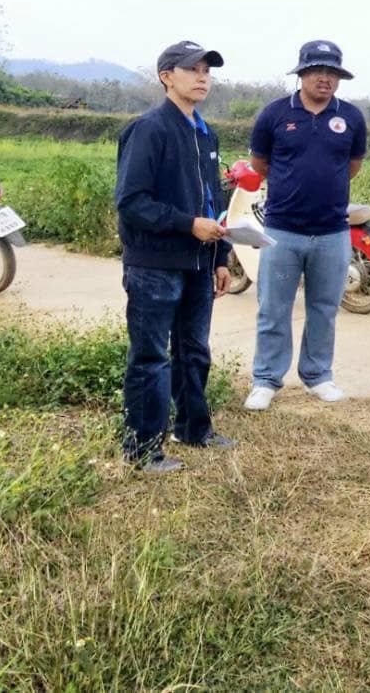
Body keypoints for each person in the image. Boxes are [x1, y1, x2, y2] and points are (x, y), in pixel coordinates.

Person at [114, 40, 238, 473]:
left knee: (193, 350)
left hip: (200, 262)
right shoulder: (149, 129)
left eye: (207, 70)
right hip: (155, 264)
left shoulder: (205, 134)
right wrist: (188, 225)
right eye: (192, 69)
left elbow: (214, 201)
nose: (203, 77)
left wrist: (221, 255)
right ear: (166, 76)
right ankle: (142, 449)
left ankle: (193, 428)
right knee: (151, 357)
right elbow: (132, 202)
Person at [243, 40, 369, 411]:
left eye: (332, 73)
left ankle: (318, 375)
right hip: (282, 229)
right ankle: (266, 380)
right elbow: (260, 163)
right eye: (317, 71)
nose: (324, 79)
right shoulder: (275, 113)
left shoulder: (351, 117)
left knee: (324, 309)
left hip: (332, 231)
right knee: (273, 309)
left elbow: (352, 167)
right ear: (301, 73)